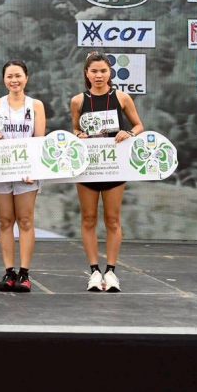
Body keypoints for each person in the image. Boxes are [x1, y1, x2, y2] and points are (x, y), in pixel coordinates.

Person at [70, 52, 143, 293]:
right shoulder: (78, 101)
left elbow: (139, 125)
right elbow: (75, 129)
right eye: (94, 71)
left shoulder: (121, 97)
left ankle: (111, 272)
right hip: (89, 168)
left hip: (114, 167)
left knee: (112, 219)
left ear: (110, 72)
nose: (99, 75)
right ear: (86, 73)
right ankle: (94, 271)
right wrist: (78, 135)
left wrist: (129, 133)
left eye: (103, 71)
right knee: (88, 219)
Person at [0, 59, 46, 293]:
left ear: (26, 78)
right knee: (5, 221)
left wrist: (34, 170)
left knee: (26, 220)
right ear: (4, 80)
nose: (14, 80)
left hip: (26, 173)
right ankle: (9, 271)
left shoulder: (36, 105)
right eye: (9, 76)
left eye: (18, 75)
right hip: (1, 171)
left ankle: (25, 273)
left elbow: (39, 141)